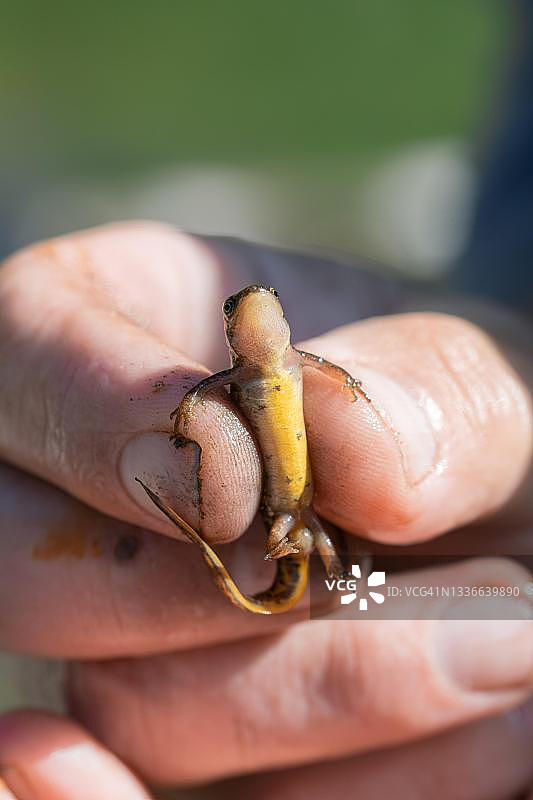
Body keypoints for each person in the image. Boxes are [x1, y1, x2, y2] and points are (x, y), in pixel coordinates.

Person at [0, 222, 531, 798]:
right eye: (237, 310)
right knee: (283, 541)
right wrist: (185, 404)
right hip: (280, 512)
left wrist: (359, 386)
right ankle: (297, 582)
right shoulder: (235, 376)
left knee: (315, 548)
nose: (254, 312)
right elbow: (199, 392)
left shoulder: (298, 361)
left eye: (265, 304)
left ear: (281, 323)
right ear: (231, 333)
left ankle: (321, 583)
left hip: (304, 509)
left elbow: (336, 373)